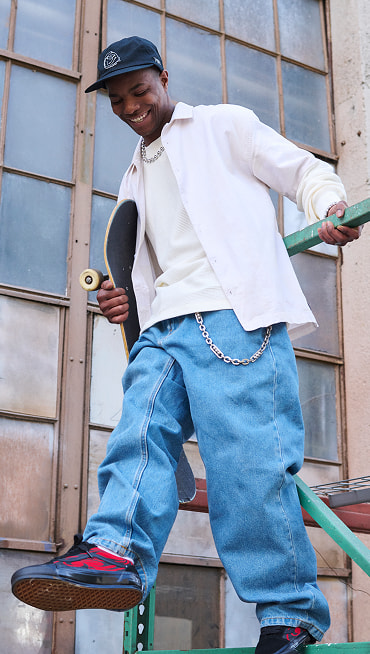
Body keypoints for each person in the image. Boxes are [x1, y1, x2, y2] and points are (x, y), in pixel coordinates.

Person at [11, 36, 361, 654]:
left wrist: (329, 206)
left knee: (246, 470)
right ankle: (113, 554)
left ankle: (290, 614)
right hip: (162, 329)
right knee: (136, 440)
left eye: (139, 91)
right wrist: (124, 303)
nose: (130, 106)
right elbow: (140, 267)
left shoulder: (225, 125)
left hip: (233, 316)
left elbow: (302, 170)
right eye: (117, 100)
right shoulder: (131, 177)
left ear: (164, 79)